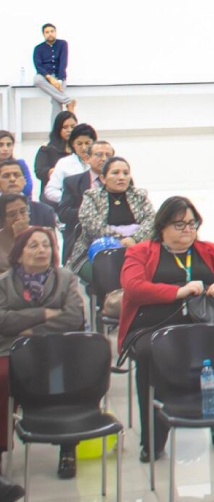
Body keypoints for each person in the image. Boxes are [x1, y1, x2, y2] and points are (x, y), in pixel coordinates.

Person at [118, 197, 214, 461]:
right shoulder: (141, 252)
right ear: (162, 226)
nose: (188, 230)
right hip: (153, 326)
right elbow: (133, 288)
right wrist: (177, 291)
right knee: (148, 355)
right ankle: (153, 436)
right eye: (180, 225)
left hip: (201, 326)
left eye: (192, 223)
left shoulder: (209, 250)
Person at [0, 226, 88, 478]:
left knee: (65, 379)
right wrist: (43, 314)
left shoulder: (65, 278)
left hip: (54, 348)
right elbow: (1, 320)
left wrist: (27, 328)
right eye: (34, 245)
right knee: (2, 378)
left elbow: (72, 317)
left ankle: (67, 447)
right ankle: (2, 445)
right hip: (11, 349)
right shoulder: (4, 282)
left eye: (46, 245)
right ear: (19, 254)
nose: (42, 250)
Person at [68, 154, 153, 274]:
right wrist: (123, 241)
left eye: (125, 173)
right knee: (108, 275)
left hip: (137, 248)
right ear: (103, 178)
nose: (121, 177)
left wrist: (134, 239)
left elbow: (151, 220)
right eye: (115, 173)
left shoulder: (140, 195)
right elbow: (92, 226)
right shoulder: (92, 196)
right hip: (96, 252)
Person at [56, 138, 114, 261]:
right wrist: (91, 213)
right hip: (80, 241)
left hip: (114, 241)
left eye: (108, 155)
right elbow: (63, 214)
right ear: (87, 158)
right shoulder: (72, 182)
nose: (104, 159)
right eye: (99, 155)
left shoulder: (122, 181)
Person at [44, 121, 97, 206]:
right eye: (79, 143)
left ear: (94, 143)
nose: (84, 148)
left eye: (87, 143)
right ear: (73, 144)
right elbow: (50, 191)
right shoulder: (64, 163)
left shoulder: (100, 162)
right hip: (72, 208)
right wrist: (69, 199)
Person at [31, 23, 74, 113]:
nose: (50, 34)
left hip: (58, 75)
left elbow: (63, 62)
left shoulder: (63, 44)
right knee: (37, 79)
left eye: (52, 31)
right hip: (45, 75)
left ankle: (56, 127)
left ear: (55, 32)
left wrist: (59, 80)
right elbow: (38, 66)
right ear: (43, 34)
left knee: (56, 101)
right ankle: (68, 101)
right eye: (47, 32)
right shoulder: (38, 48)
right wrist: (50, 78)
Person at [1, 160, 57, 229]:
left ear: (24, 180)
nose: (12, 179)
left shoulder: (44, 211)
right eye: (6, 176)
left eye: (17, 175)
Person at [33, 110, 76, 197]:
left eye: (73, 127)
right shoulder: (46, 149)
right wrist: (55, 172)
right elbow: (40, 172)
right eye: (65, 127)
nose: (70, 130)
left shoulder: (79, 149)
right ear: (58, 129)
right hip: (52, 195)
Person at [0, 129, 35, 200]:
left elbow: (28, 188)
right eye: (1, 145)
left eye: (9, 145)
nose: (5, 149)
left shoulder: (20, 164)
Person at [0, 194, 31, 262]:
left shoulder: (42, 234)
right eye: (12, 215)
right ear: (3, 218)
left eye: (23, 211)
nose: (19, 218)